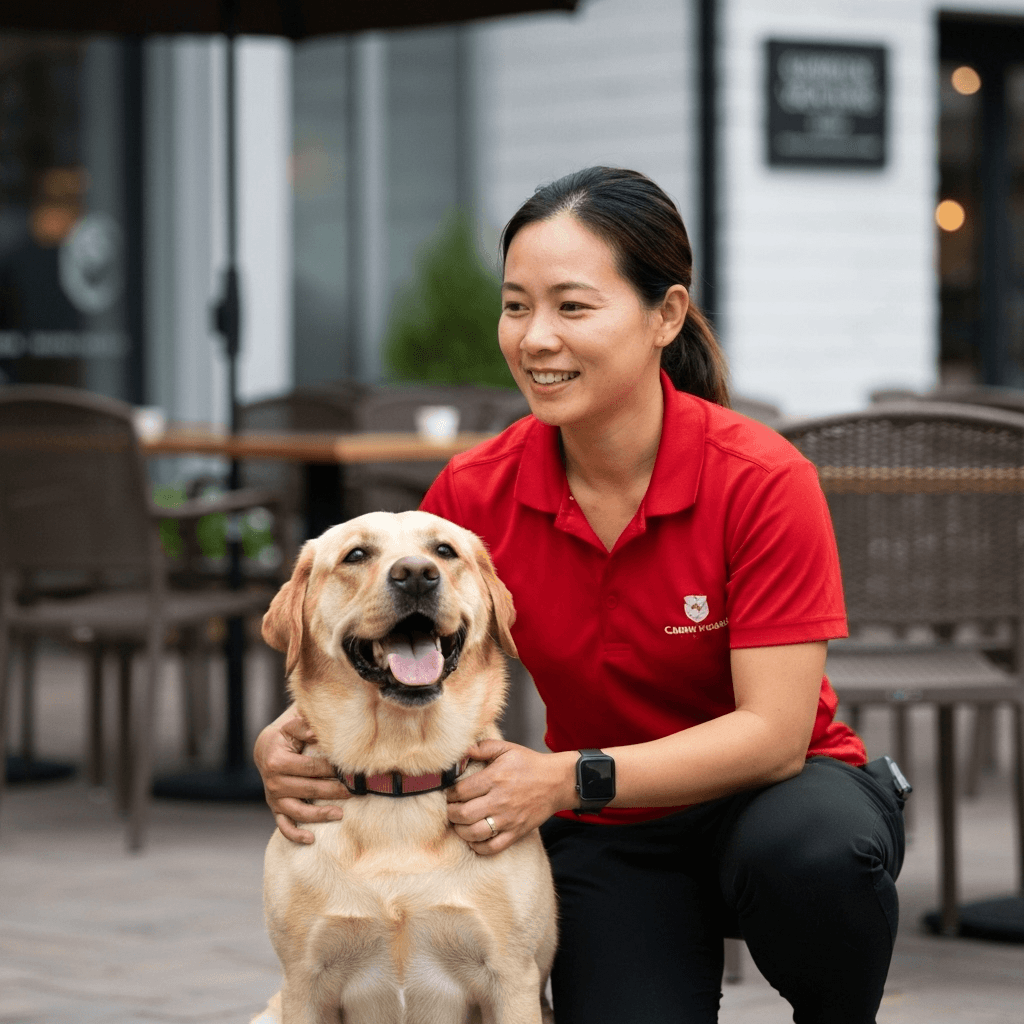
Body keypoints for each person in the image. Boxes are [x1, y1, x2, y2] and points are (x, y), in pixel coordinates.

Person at [254, 166, 905, 1024]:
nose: (535, 338)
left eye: (572, 307)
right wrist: (284, 743)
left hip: (772, 799)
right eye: (516, 306)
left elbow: (776, 735)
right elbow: (389, 633)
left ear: (665, 315)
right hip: (612, 828)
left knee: (816, 855)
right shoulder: (472, 495)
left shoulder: (762, 478)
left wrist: (567, 778)